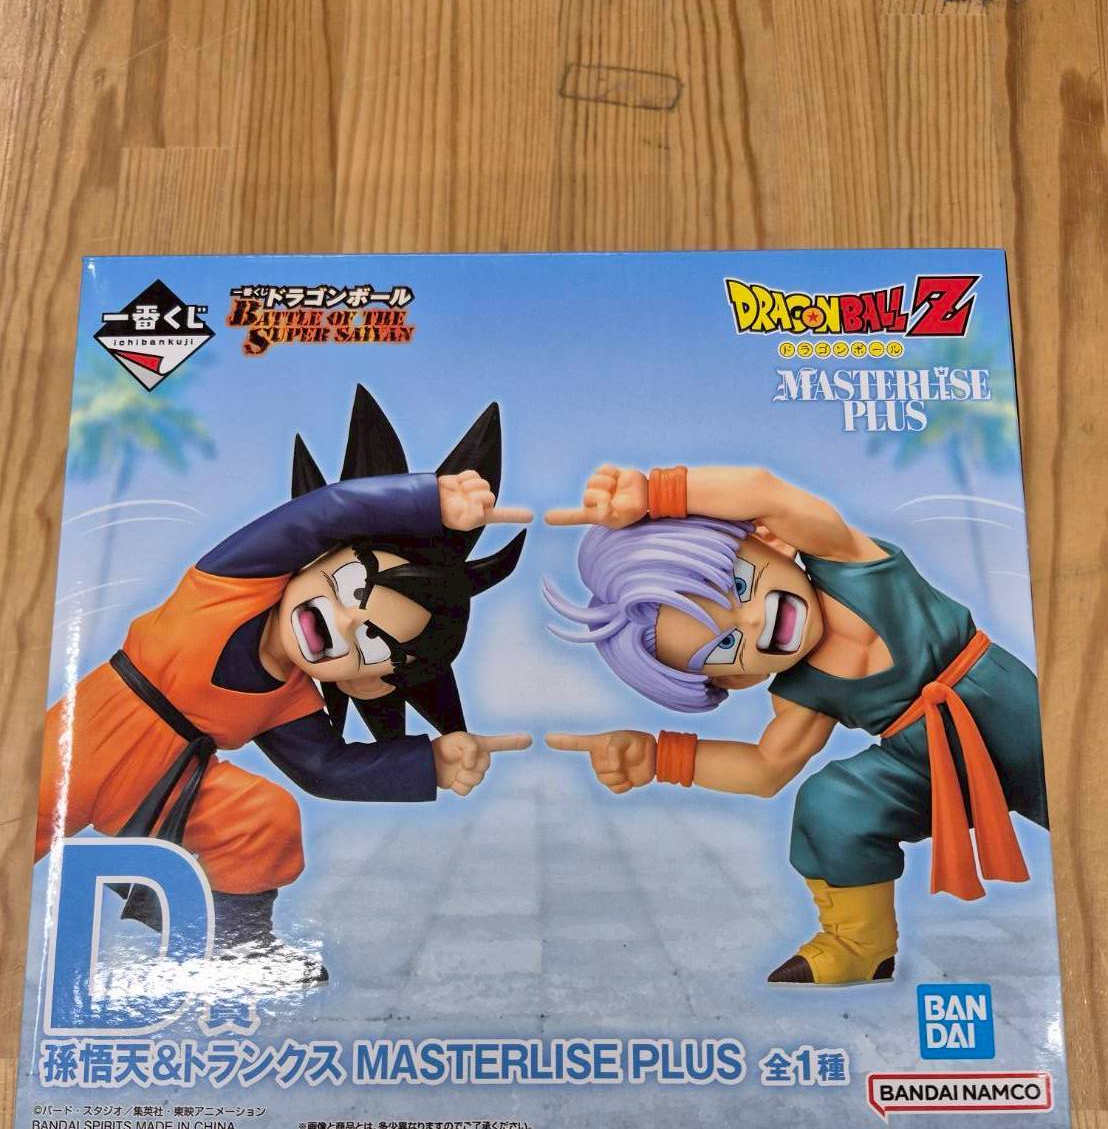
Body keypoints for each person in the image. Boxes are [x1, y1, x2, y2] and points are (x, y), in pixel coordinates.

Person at [36, 386, 533, 984]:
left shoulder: (289, 699)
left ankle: (236, 950)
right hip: (81, 743)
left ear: (372, 683)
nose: (341, 623)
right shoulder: (229, 583)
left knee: (263, 817)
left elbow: (326, 770)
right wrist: (427, 499)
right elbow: (321, 514)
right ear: (318, 558)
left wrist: (428, 762)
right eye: (348, 587)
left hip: (167, 784)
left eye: (371, 643)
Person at [543, 462, 1047, 985]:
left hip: (1010, 707)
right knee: (832, 805)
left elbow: (764, 492)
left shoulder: (848, 561)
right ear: (736, 678)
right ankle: (861, 946)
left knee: (1076, 792)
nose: (752, 620)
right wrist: (658, 757)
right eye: (726, 645)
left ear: (772, 542)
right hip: (930, 765)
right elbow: (766, 768)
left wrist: (655, 493)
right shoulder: (803, 694)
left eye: (739, 586)